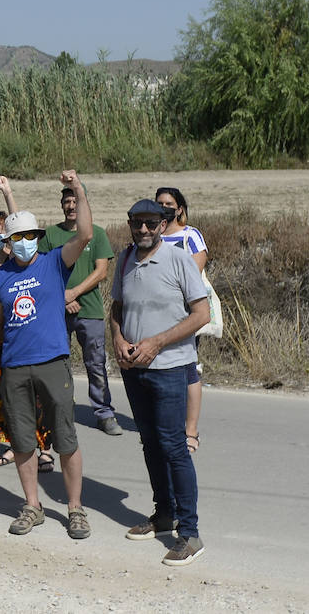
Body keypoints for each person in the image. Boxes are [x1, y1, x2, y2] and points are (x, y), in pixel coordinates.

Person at [0, 170, 93, 541]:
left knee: (65, 437)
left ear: (38, 238)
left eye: (32, 235)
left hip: (53, 362)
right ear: (10, 242)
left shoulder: (53, 262)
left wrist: (78, 189)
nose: (27, 241)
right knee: (23, 441)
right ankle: (33, 505)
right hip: (15, 366)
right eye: (19, 237)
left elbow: (86, 235)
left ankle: (75, 508)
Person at [112, 198, 211, 566]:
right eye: (137, 223)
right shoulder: (124, 259)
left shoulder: (178, 259)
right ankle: (164, 513)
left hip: (169, 367)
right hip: (134, 367)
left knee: (173, 447)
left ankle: (190, 533)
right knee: (151, 443)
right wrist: (119, 341)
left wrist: (157, 342)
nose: (143, 230)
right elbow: (117, 309)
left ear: (163, 223)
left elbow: (202, 313)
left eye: (151, 223)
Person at [40, 184, 121, 435]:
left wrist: (73, 293)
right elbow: (42, 271)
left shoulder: (96, 233)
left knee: (96, 363)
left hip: (90, 310)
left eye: (75, 201)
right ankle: (63, 410)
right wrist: (62, 297)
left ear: (83, 203)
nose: (71, 206)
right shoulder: (50, 235)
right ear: (61, 205)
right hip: (56, 310)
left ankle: (104, 412)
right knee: (58, 363)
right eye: (67, 201)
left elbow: (101, 272)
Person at [156, 186, 208, 455]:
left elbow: (194, 270)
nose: (164, 207)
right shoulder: (151, 236)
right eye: (159, 203)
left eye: (169, 203)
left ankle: (190, 430)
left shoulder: (191, 235)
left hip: (183, 313)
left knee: (187, 369)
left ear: (180, 208)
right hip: (154, 316)